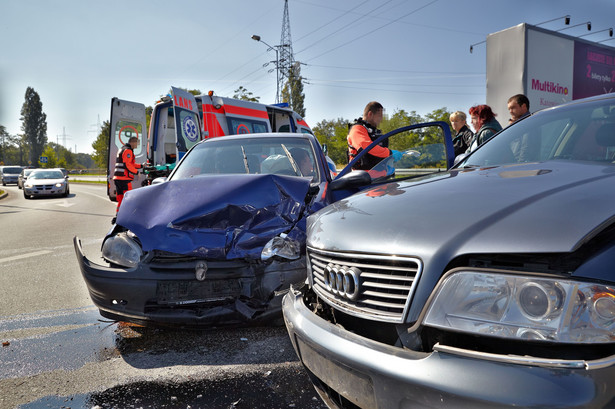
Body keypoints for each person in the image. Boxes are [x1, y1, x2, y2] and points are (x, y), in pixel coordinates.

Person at [347, 101, 403, 170]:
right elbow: (365, 146)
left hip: (378, 177)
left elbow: (378, 153)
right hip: (362, 177)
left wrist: (387, 164)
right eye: (380, 116)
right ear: (370, 114)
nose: (381, 120)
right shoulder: (357, 129)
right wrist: (389, 153)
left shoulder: (373, 132)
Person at [113, 136, 143, 214]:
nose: (137, 145)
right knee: (128, 198)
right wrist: (137, 172)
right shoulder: (128, 151)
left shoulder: (122, 149)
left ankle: (118, 215)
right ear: (133, 142)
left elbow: (130, 164)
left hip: (117, 178)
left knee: (120, 198)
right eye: (137, 143)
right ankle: (127, 215)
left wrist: (141, 166)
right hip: (124, 179)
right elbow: (128, 165)